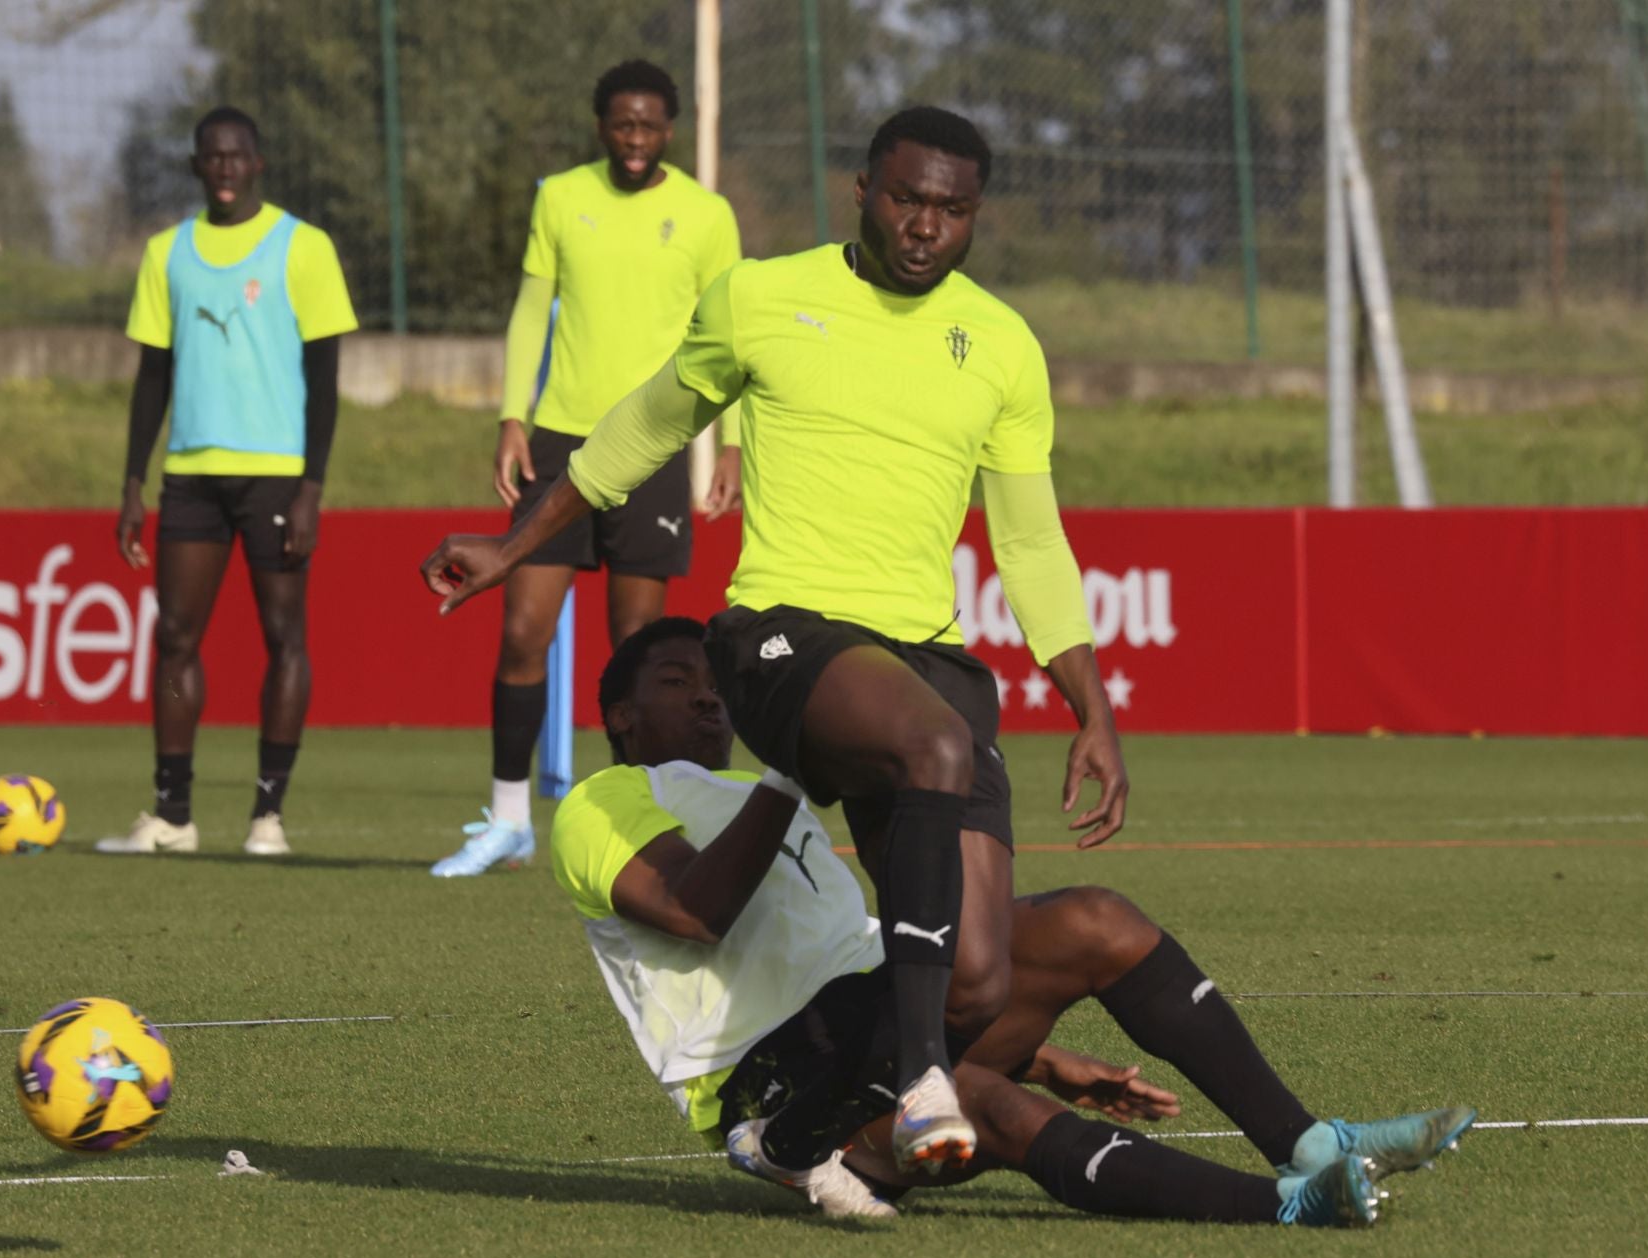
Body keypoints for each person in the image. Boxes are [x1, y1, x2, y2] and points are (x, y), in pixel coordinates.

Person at [423, 106, 1123, 1173]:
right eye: (907, 197)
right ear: (862, 189)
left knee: (980, 971)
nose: (927, 223)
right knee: (932, 746)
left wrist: (1094, 706)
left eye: (953, 207)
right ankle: (926, 1074)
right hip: (788, 645)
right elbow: (641, 425)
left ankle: (807, 1133)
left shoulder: (1004, 346)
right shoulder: (761, 296)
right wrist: (515, 547)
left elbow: (1030, 542)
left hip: (923, 658)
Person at [548, 617, 1475, 1225]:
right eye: (678, 681)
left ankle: (1311, 1143)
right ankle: (1283, 1203)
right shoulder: (603, 800)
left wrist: (1043, 1053)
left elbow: (875, 960)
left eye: (716, 681)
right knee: (985, 1108)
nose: (711, 695)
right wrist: (793, 771)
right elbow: (692, 909)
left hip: (871, 1022)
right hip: (772, 1082)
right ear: (621, 715)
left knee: (1095, 921)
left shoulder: (762, 794)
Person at [431, 59, 743, 879]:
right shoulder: (561, 198)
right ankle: (507, 820)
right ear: (602, 125)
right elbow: (533, 309)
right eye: (621, 125)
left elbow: (730, 336)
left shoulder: (707, 215)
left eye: (648, 127)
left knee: (640, 652)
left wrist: (732, 443)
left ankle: (645, 818)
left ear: (668, 131)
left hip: (659, 444)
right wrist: (511, 418)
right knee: (523, 630)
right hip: (562, 443)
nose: (634, 140)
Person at [97, 106, 357, 857]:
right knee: (175, 638)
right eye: (212, 157)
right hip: (190, 478)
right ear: (197, 166)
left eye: (238, 155)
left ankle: (267, 816)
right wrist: (131, 483)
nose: (225, 167)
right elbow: (152, 377)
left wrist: (312, 486)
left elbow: (326, 378)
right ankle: (172, 814)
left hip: (275, 477)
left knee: (284, 637)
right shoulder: (166, 253)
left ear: (258, 163)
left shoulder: (302, 246)